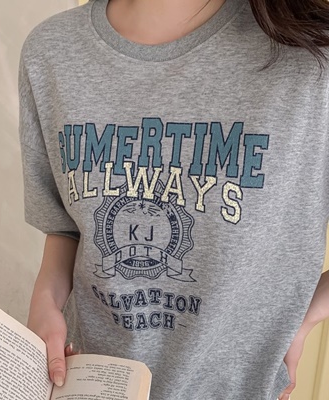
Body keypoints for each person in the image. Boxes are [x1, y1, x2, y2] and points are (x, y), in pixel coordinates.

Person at [18, 0, 329, 399]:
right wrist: (45, 302)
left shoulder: (313, 58)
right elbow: (66, 228)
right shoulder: (51, 51)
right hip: (87, 381)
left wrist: (304, 319)